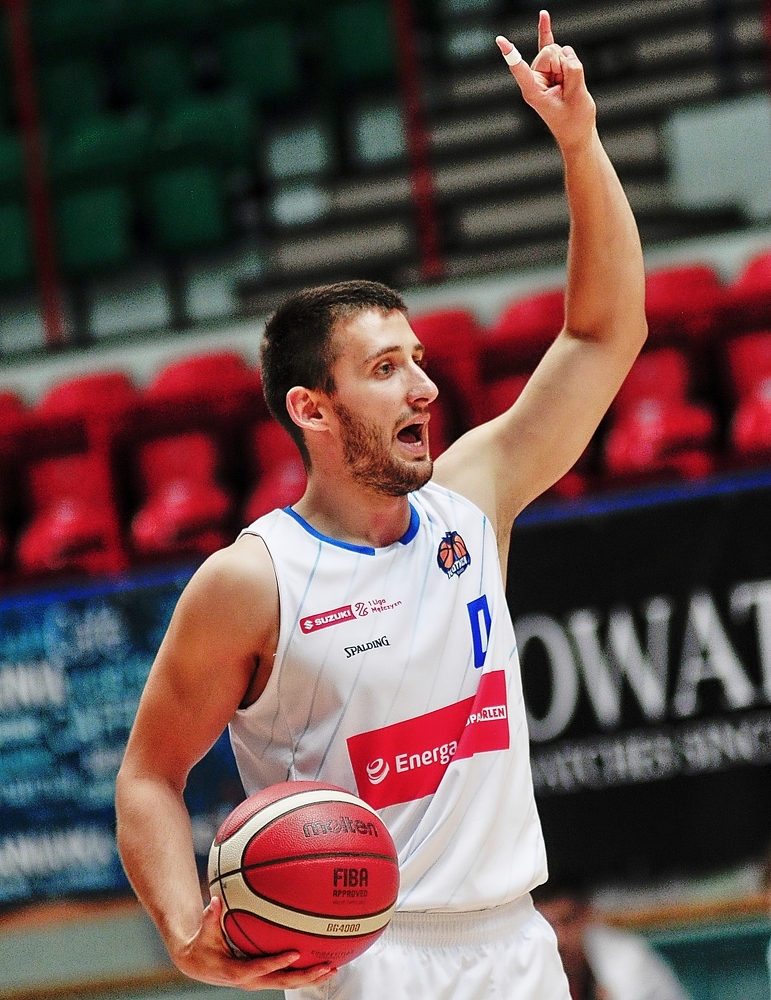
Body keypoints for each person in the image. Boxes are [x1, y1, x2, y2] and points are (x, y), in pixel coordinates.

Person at [115, 11, 647, 999]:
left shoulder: (471, 501)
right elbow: (149, 773)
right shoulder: (251, 582)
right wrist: (186, 932)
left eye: (419, 360)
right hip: (362, 958)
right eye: (386, 368)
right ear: (311, 408)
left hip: (515, 943)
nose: (425, 388)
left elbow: (604, 334)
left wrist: (580, 144)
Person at [533, 886, 690, 1000]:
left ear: (586, 915)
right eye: (549, 926)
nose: (560, 938)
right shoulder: (535, 960)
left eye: (567, 921)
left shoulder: (627, 957)